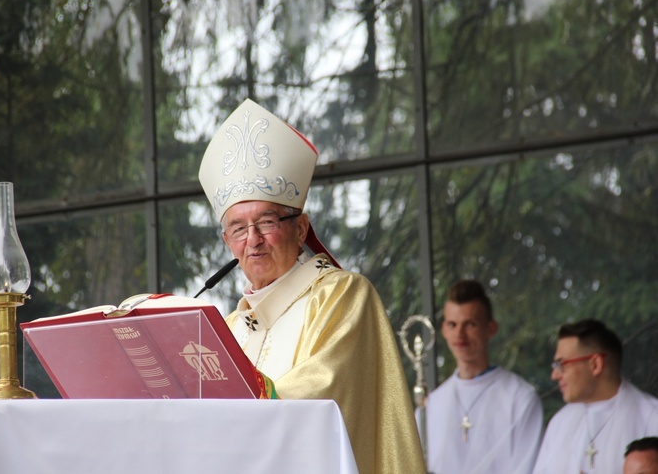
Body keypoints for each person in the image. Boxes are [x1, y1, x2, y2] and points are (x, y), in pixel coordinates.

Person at [198, 98, 426, 473]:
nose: (252, 240)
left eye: (267, 222)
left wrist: (227, 416)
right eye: (238, 228)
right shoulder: (230, 329)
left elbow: (324, 395)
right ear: (227, 242)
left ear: (301, 228)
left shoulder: (343, 295)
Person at [421, 279, 543, 474]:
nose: (459, 335)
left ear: (490, 329)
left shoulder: (520, 398)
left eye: (470, 324)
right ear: (444, 330)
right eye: (452, 324)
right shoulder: (433, 404)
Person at [533, 319, 658, 473]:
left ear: (595, 364)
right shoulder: (559, 423)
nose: (555, 375)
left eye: (562, 364)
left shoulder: (652, 417)